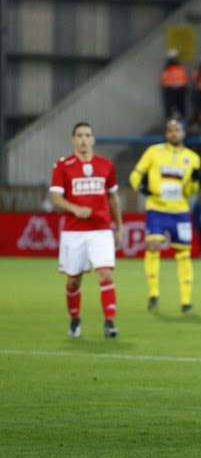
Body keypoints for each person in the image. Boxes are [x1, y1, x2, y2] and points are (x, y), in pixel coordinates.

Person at [49, 122, 123, 338]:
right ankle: (75, 319)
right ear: (72, 139)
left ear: (93, 139)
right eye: (79, 135)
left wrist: (119, 226)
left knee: (105, 273)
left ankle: (110, 323)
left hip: (101, 229)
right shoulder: (62, 165)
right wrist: (75, 209)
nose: (83, 139)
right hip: (74, 231)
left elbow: (113, 197)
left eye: (87, 135)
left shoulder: (106, 165)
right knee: (74, 279)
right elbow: (55, 198)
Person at [129, 120, 201, 314]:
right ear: (166, 133)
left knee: (183, 254)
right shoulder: (154, 151)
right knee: (153, 247)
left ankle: (186, 301)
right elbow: (135, 175)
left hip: (180, 211)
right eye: (170, 130)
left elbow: (192, 190)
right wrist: (141, 188)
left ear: (183, 134)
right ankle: (153, 294)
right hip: (157, 209)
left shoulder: (193, 158)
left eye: (177, 130)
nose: (173, 134)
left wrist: (194, 182)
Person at [160, 48, 189, 118]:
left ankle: (181, 124)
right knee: (171, 109)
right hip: (171, 91)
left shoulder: (179, 68)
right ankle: (172, 124)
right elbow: (164, 81)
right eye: (175, 58)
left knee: (180, 108)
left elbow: (184, 79)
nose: (176, 59)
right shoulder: (167, 69)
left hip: (179, 90)